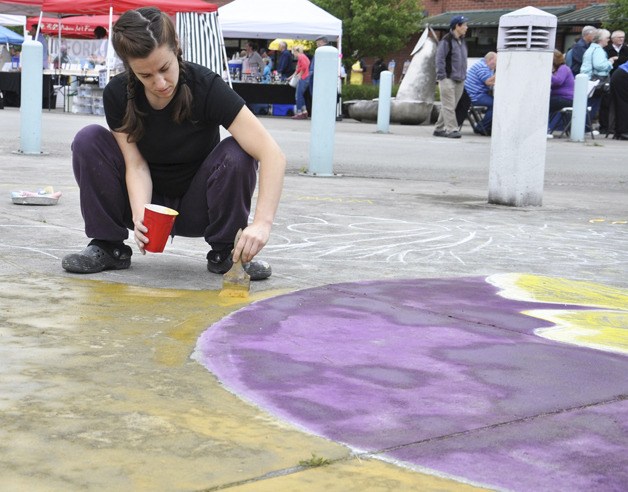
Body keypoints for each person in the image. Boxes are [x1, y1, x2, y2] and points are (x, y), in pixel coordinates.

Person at [61, 7, 286, 280]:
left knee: (238, 152)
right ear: (130, 68)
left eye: (165, 68)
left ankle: (227, 252)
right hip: (148, 205)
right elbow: (136, 165)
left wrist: (262, 224)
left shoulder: (207, 87)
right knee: (89, 139)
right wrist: (140, 217)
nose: (159, 83)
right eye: (145, 75)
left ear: (176, 48)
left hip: (199, 207)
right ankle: (108, 246)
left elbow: (271, 154)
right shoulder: (118, 94)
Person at [433, 15, 468, 139]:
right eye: (464, 25)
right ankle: (451, 129)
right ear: (457, 26)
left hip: (460, 79)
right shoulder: (446, 40)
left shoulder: (462, 41)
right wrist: (441, 76)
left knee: (450, 105)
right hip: (447, 78)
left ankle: (438, 129)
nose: (466, 27)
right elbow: (439, 58)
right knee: (449, 105)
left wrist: (464, 75)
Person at [581, 29, 617, 123]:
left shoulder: (592, 49)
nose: (608, 40)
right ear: (601, 39)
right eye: (607, 38)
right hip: (596, 81)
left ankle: (584, 127)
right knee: (593, 105)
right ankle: (586, 127)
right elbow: (600, 66)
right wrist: (610, 62)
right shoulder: (598, 50)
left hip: (588, 79)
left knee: (588, 104)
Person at [464, 51, 496, 135]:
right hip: (475, 96)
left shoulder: (484, 65)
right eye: (496, 61)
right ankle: (482, 127)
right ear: (490, 60)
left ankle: (485, 126)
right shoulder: (482, 67)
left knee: (494, 103)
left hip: (475, 94)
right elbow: (488, 82)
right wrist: (500, 72)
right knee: (496, 105)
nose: (497, 64)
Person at [547, 49, 575, 135]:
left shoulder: (563, 68)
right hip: (560, 98)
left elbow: (558, 81)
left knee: (544, 105)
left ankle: (545, 128)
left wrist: (547, 72)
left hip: (566, 99)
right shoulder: (558, 69)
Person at [290, 45, 310, 119]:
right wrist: (293, 76)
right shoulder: (303, 56)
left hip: (303, 77)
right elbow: (304, 66)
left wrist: (300, 74)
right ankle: (304, 111)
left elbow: (304, 66)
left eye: (293, 52)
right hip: (306, 77)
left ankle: (299, 112)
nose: (293, 54)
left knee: (298, 95)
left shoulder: (300, 57)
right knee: (300, 95)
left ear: (296, 51)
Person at [609, 60, 628, 139]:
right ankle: (623, 132)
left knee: (620, 104)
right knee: (623, 104)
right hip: (623, 76)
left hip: (620, 74)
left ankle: (619, 132)